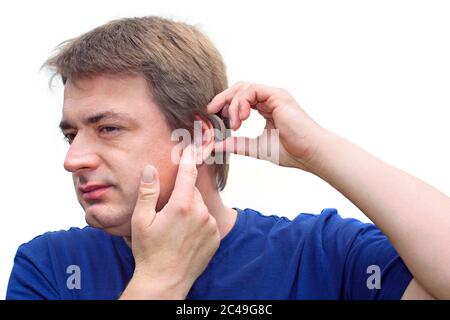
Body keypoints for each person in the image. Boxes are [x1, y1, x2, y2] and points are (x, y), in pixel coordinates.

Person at [6, 16, 450, 300]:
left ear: (197, 135)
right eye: (71, 135)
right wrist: (160, 281)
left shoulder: (323, 255)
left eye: (108, 129)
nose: (74, 159)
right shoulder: (51, 267)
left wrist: (317, 150)